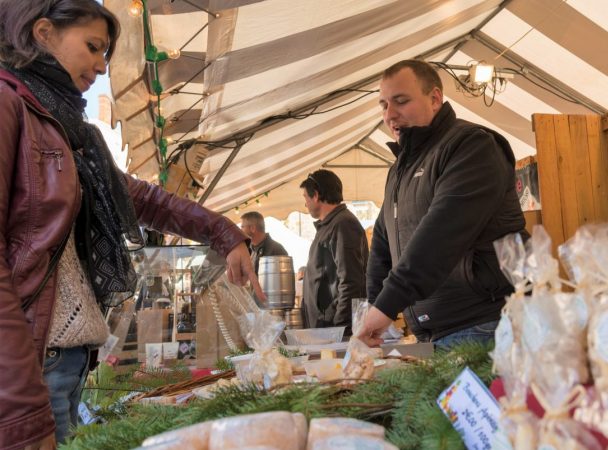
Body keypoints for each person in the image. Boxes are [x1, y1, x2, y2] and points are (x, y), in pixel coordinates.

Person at [0, 1, 262, 448]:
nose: (102, 67)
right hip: (31, 365)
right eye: (94, 48)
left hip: (63, 361)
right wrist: (20, 401)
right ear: (43, 33)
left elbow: (140, 197)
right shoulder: (10, 105)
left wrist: (224, 233)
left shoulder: (64, 128)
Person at [355, 60, 526, 350]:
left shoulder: (472, 146)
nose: (390, 115)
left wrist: (384, 308)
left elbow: (440, 235)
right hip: (435, 332)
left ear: (435, 98)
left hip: (486, 325)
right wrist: (372, 305)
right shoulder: (399, 169)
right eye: (383, 105)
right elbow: (383, 246)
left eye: (401, 101)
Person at [299, 170, 368, 333]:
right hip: (326, 326)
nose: (305, 204)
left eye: (305, 198)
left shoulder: (343, 224)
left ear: (315, 195)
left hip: (335, 328)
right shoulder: (329, 225)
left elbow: (351, 279)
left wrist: (341, 325)